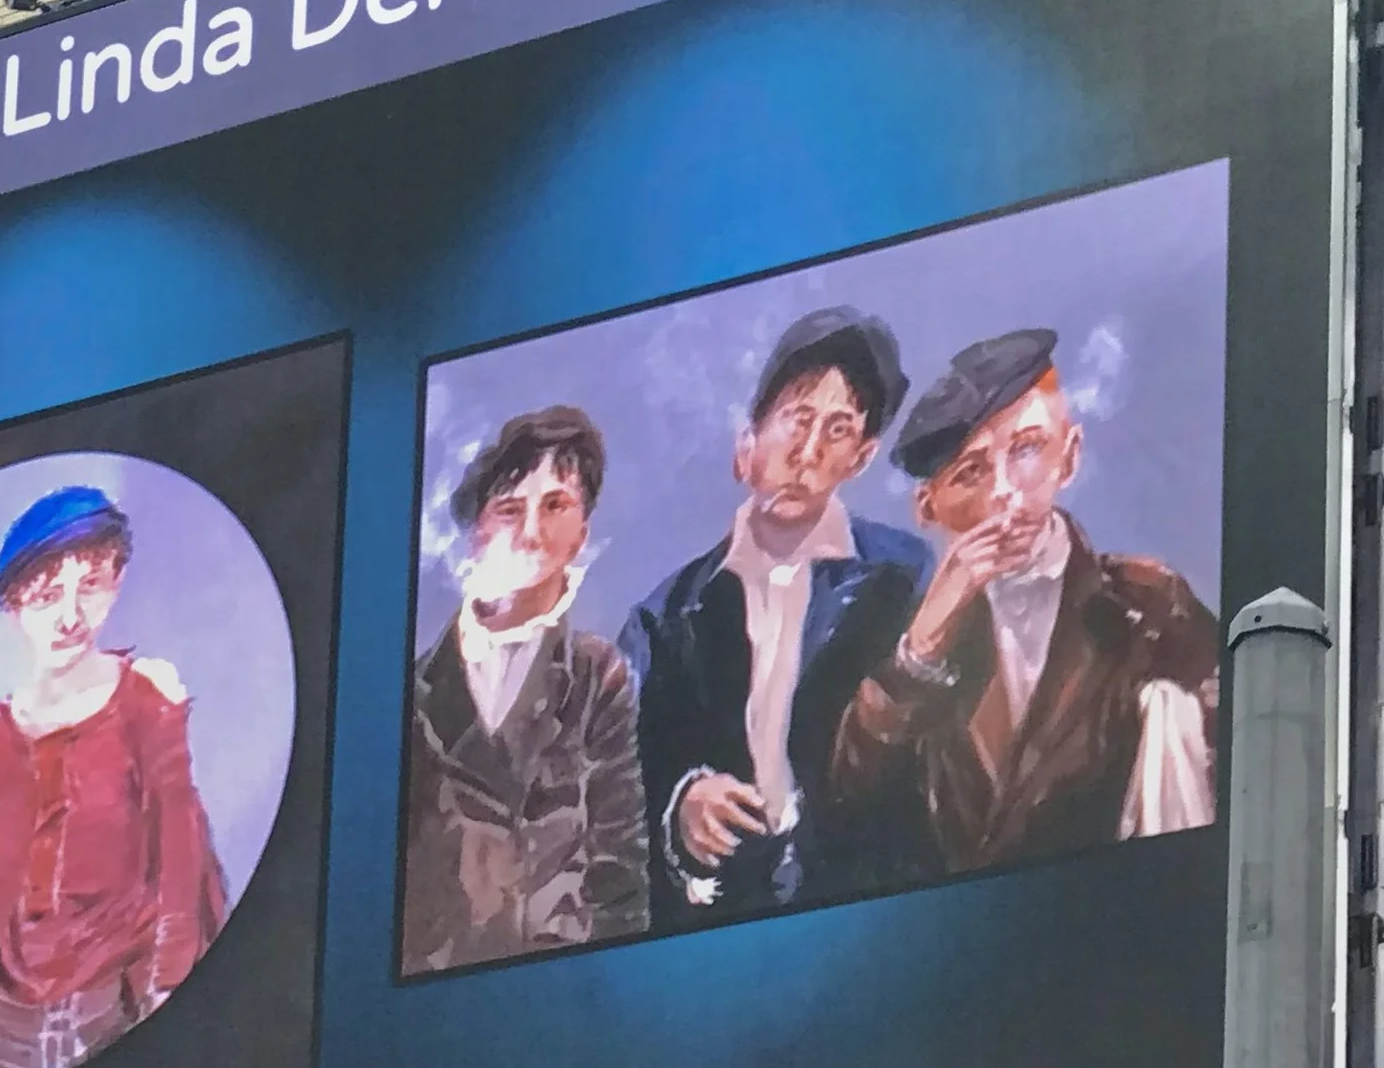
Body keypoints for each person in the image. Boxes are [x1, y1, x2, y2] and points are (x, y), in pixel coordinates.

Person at [829, 328, 1220, 883]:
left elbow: (1240, 769)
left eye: (1027, 449)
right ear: (928, 506)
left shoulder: (1146, 605)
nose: (1005, 494)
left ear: (1070, 455)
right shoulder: (903, 632)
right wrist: (921, 649)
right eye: (971, 471)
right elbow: (851, 799)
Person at [0, 485, 227, 1068]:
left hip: (118, 1026)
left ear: (117, 582)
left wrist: (172, 1038)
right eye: (47, 596)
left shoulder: (147, 703)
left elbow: (180, 877)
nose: (71, 617)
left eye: (91, 586)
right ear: (14, 606)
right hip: (2, 1048)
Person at [620, 307, 930, 929]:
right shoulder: (668, 616)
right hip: (724, 925)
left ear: (861, 457)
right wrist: (682, 805)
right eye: (797, 419)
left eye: (838, 430)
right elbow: (622, 772)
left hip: (875, 906)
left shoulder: (902, 580)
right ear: (748, 444)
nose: (808, 453)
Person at [400, 405, 647, 972]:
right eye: (510, 510)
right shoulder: (411, 695)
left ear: (582, 532)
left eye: (555, 506)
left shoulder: (597, 676)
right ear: (476, 534)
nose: (532, 532)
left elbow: (620, 873)